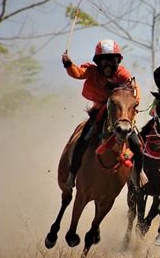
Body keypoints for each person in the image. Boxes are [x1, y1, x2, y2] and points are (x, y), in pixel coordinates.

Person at [61, 39, 148, 188]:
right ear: (98, 62)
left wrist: (134, 104)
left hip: (119, 113)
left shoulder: (123, 74)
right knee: (83, 141)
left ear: (117, 61)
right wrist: (69, 65)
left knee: (136, 143)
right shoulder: (91, 71)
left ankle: (138, 171)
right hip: (98, 111)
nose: (107, 65)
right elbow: (78, 73)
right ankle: (72, 174)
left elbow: (134, 91)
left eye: (111, 60)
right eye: (103, 61)